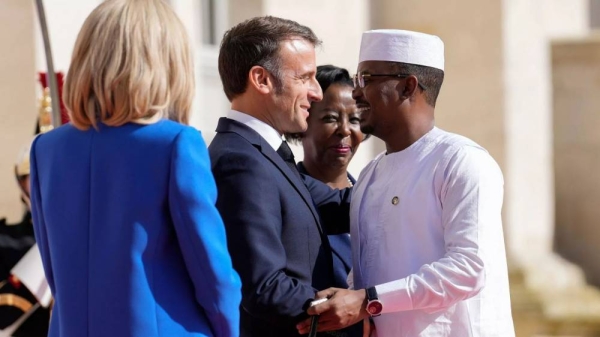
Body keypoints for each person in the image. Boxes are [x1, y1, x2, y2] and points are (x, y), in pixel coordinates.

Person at [29, 1, 241, 336]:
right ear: (168, 62)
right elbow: (213, 274)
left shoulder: (46, 148)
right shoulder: (175, 143)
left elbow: (56, 274)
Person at [297, 29, 515, 337]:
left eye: (367, 79)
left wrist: (369, 301)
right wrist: (347, 299)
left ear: (407, 86)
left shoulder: (461, 161)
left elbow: (469, 269)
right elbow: (367, 271)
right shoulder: (370, 175)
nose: (356, 92)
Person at [210, 16, 352, 337]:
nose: (316, 93)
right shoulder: (240, 160)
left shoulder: (266, 152)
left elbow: (338, 207)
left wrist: (422, 177)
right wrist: (347, 311)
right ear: (261, 79)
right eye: (305, 77)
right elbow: (264, 285)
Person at [291, 65, 367, 337]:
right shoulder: (289, 197)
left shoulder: (371, 195)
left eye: (355, 120)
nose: (345, 131)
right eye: (331, 118)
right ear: (303, 124)